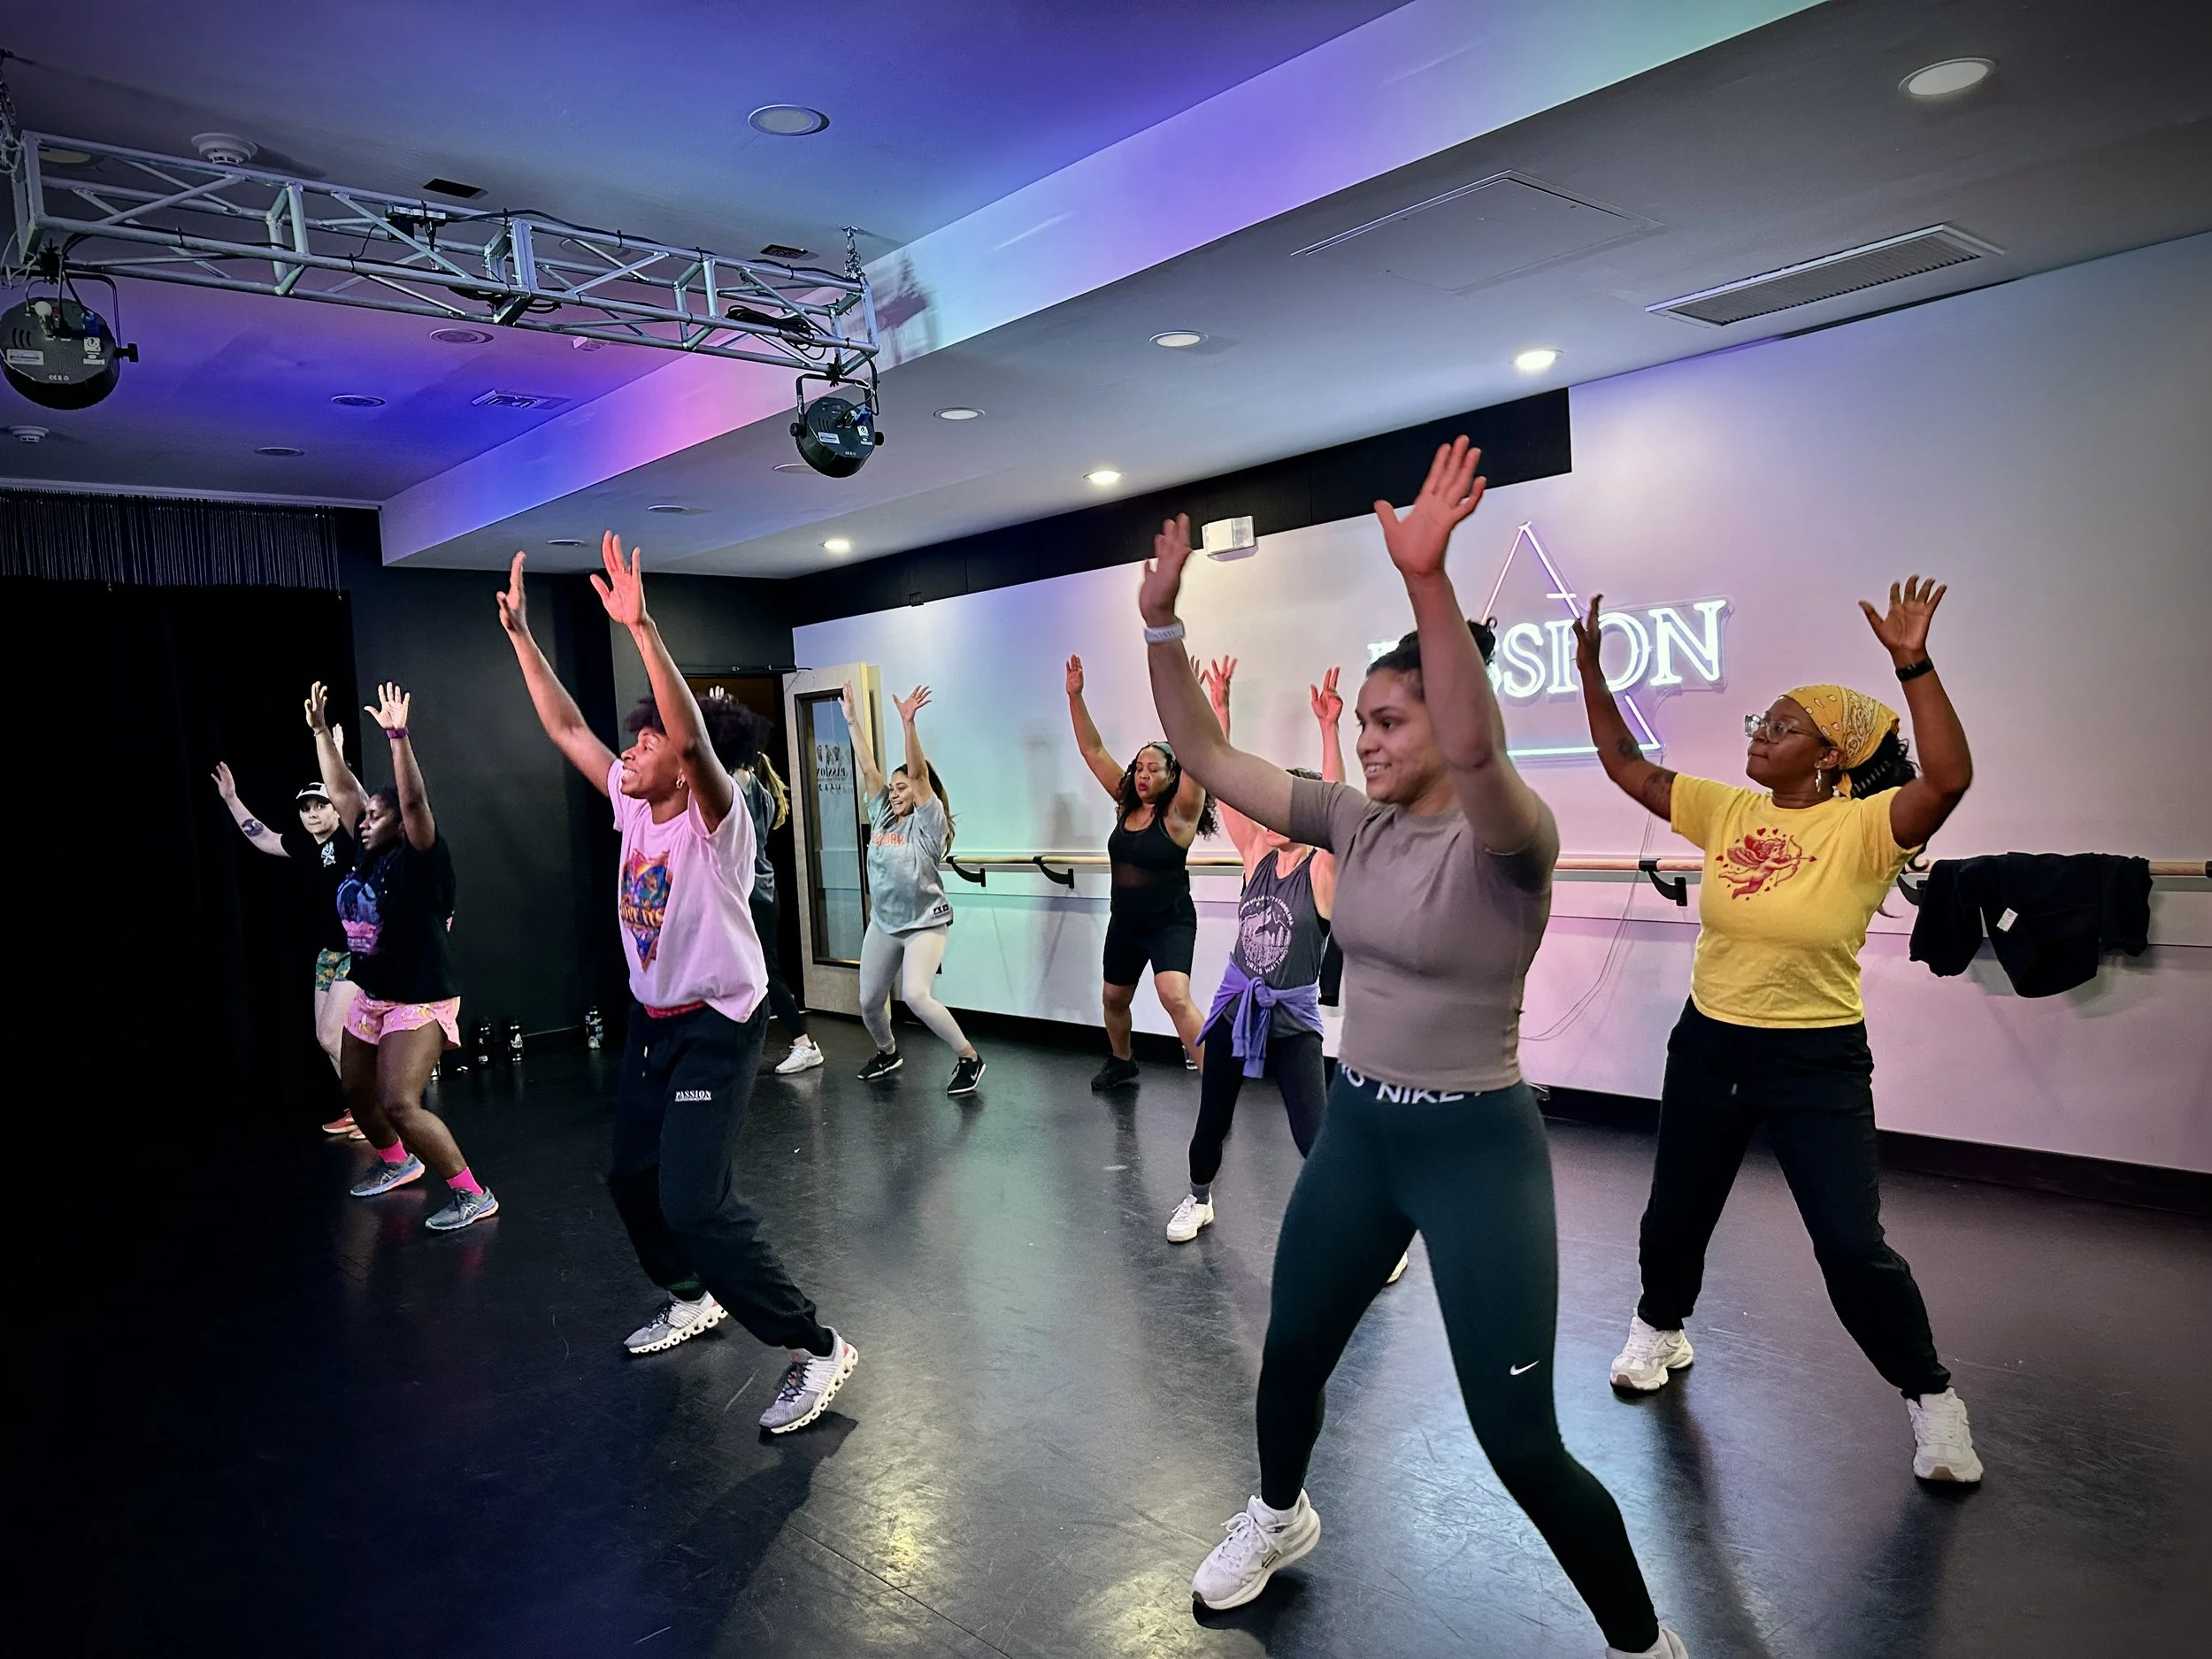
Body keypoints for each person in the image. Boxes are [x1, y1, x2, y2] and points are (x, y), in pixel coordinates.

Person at [1147, 442, 1685, 1658]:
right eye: (1369, 722)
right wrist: (1161, 624)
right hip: (1363, 1130)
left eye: (1391, 720)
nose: (1369, 740)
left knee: (1518, 1439)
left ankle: (1644, 1640)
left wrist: (1429, 585)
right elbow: (1210, 756)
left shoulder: (1511, 838)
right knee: (1288, 1355)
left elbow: (1485, 755)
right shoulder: (1357, 816)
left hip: (1474, 1147)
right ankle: (1279, 1513)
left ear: (1445, 717)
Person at [1573, 577, 1983, 1486]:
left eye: (1780, 727)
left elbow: (1948, 779)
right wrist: (1589, 669)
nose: (1758, 734)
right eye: (1760, 721)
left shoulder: (1867, 828)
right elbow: (1621, 763)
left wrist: (1911, 662)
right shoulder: (1726, 809)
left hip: (1815, 1060)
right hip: (1711, 1042)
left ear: (1829, 756)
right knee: (1675, 1210)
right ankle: (1658, 1327)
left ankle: (1931, 1397)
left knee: (1848, 1244)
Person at [497, 540, 856, 1431]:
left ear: (689, 762)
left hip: (716, 1025)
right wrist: (521, 640)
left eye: (648, 738)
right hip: (653, 1023)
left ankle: (816, 1348)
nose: (632, 746)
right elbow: (567, 729)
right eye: (637, 735)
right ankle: (692, 1297)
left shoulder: (717, 820)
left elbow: (692, 740)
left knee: (695, 1201)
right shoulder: (629, 801)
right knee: (630, 1179)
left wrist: (643, 626)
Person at [307, 680, 499, 1233]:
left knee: (398, 1101)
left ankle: (472, 1194)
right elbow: (343, 790)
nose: (363, 821)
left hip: (421, 997)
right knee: (356, 1091)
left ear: (402, 824)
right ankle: (397, 1163)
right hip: (373, 991)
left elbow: (413, 800)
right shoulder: (367, 856)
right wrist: (322, 733)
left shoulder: (421, 862)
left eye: (376, 815)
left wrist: (398, 737)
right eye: (364, 815)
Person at [1163, 657, 1342, 1246]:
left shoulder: (1321, 871)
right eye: (1273, 806)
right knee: (1212, 1119)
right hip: (1238, 1004)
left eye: (1291, 805)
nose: (1272, 816)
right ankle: (1198, 1197)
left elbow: (1337, 812)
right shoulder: (1256, 854)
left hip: (1292, 1016)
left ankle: (1355, 1231)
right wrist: (1220, 704)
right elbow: (1221, 772)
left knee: (1313, 1136)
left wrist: (1330, 730)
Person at [1064, 653, 1218, 1089]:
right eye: (1139, 768)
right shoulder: (1125, 803)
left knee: (1174, 996)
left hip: (1169, 921)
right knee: (1113, 998)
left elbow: (1199, 756)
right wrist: (1076, 696)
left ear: (1173, 776)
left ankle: (1216, 1081)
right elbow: (1092, 750)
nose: (1143, 774)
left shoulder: (1180, 813)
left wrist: (1185, 694)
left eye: (1155, 768)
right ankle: (1122, 1060)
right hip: (1126, 923)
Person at [211, 735, 364, 1138]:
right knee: (325, 1037)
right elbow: (261, 836)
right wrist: (231, 799)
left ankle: (376, 1111)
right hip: (327, 955)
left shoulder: (347, 841)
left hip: (357, 953)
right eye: (307, 809)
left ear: (334, 808)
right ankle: (360, 1106)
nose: (313, 814)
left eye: (320, 806)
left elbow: (351, 799)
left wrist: (339, 761)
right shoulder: (301, 845)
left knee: (334, 1035)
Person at [841, 681, 986, 1096]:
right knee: (869, 1002)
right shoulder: (883, 818)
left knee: (917, 996)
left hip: (925, 923)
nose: (894, 790)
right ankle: (888, 1052)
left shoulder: (928, 824)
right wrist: (852, 721)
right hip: (885, 923)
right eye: (893, 786)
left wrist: (908, 724)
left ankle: (969, 1058)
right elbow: (869, 769)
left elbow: (918, 775)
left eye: (901, 787)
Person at [722, 704, 823, 1078]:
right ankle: (739, 1040)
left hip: (757, 897)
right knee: (741, 970)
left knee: (767, 972)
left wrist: (729, 716)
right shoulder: (748, 783)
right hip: (748, 894)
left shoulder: (745, 784)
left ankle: (804, 1044)